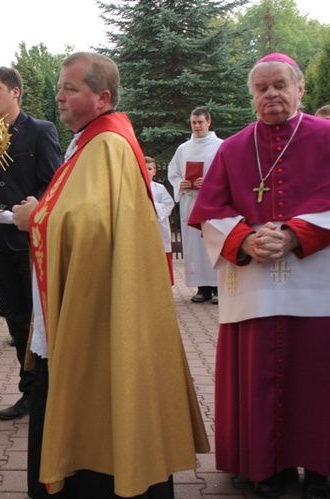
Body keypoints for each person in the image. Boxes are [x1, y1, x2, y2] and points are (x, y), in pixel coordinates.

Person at [12, 51, 209, 498]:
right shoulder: (92, 139)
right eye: (60, 87)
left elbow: (93, 224)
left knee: (96, 403)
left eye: (70, 89)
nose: (58, 96)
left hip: (97, 312)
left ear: (102, 97)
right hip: (95, 300)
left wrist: (36, 217)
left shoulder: (107, 145)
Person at [189, 52, 330, 499]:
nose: (270, 94)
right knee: (258, 377)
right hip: (252, 283)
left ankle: (322, 467)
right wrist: (245, 240)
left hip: (316, 279)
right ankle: (265, 467)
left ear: (300, 89)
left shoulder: (327, 137)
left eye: (279, 85)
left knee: (319, 377)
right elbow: (210, 212)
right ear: (252, 95)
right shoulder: (232, 148)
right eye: (261, 88)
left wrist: (296, 234)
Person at [0, 66, 62, 420]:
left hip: (28, 239)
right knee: (15, 318)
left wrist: (27, 211)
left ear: (15, 92)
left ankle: (49, 391)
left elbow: (52, 182)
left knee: (39, 317)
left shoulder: (40, 131)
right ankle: (30, 390)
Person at [167, 107, 222, 303]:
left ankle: (218, 287)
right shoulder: (183, 149)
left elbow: (227, 174)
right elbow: (173, 173)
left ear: (209, 122)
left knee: (212, 243)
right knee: (194, 246)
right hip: (190, 202)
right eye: (193, 123)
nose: (197, 126)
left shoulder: (220, 147)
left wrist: (208, 182)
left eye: (200, 122)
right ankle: (203, 287)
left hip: (211, 204)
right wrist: (179, 183)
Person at [146, 156, 175, 284]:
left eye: (150, 168)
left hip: (158, 227)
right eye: (144, 168)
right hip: (141, 229)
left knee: (160, 254)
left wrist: (152, 206)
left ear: (154, 171)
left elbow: (169, 204)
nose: (147, 171)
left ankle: (163, 283)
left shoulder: (159, 188)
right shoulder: (133, 188)